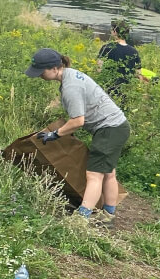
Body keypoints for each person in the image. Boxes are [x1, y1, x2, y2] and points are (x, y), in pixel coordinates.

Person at [25, 48, 130, 229]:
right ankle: (108, 215)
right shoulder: (70, 76)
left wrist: (55, 134)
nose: (39, 75)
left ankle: (82, 218)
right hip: (116, 126)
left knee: (94, 174)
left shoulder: (70, 86)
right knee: (108, 173)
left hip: (109, 128)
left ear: (55, 68)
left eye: (41, 71)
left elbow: (78, 121)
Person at [97, 18, 143, 99]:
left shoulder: (107, 48)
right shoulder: (134, 51)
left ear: (114, 32)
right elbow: (138, 75)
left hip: (107, 90)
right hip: (126, 92)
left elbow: (99, 69)